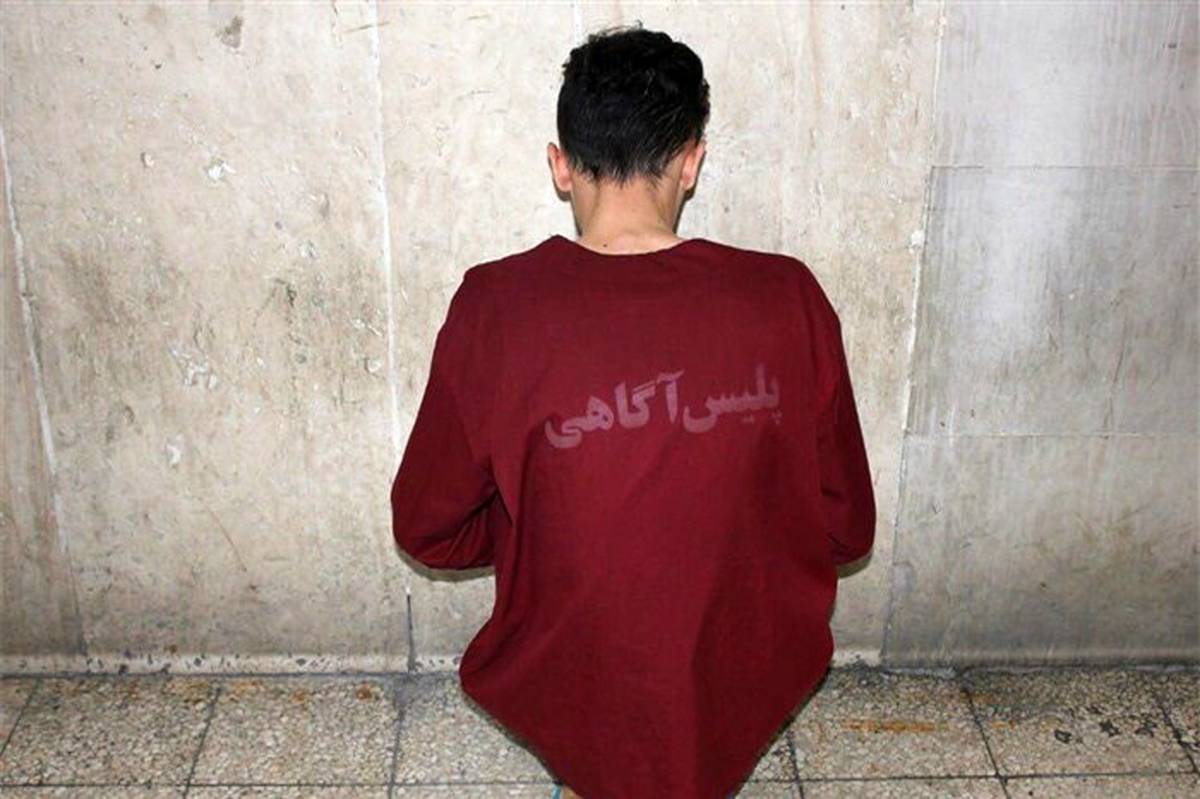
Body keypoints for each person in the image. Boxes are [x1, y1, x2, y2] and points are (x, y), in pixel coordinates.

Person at [390, 21, 876, 799]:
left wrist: (540, 529)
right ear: (691, 161)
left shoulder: (497, 307)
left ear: (561, 166)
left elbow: (427, 525)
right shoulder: (788, 296)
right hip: (739, 673)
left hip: (573, 674)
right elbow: (846, 526)